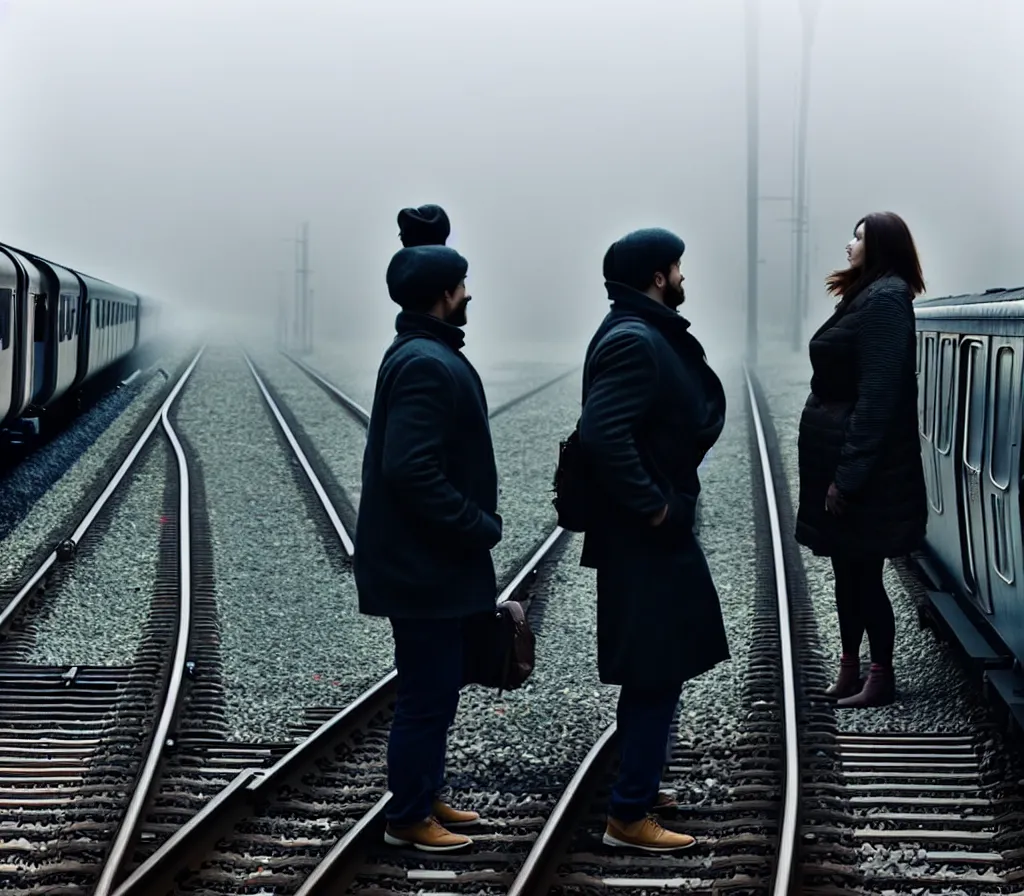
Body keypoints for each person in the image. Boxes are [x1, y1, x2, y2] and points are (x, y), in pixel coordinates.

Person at [578, 227, 729, 852]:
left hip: (645, 533)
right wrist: (655, 507)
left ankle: (642, 785)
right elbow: (601, 434)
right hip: (642, 535)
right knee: (654, 668)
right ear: (658, 276)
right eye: (678, 269)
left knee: (660, 663)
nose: (684, 278)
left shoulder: (637, 331)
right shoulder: (636, 340)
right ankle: (629, 814)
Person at [354, 240, 501, 851]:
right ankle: (409, 818)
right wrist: (475, 523)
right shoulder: (424, 361)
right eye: (462, 284)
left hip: (428, 562)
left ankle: (427, 791)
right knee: (424, 694)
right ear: (445, 295)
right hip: (424, 565)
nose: (469, 294)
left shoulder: (423, 351)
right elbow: (410, 468)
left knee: (436, 691)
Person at [795, 211, 927, 708]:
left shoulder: (887, 300)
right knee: (846, 573)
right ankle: (849, 669)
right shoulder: (867, 294)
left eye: (859, 237)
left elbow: (877, 399)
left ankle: (880, 675)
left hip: (867, 473)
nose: (849, 244)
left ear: (882, 247)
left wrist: (847, 479)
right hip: (842, 463)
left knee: (865, 577)